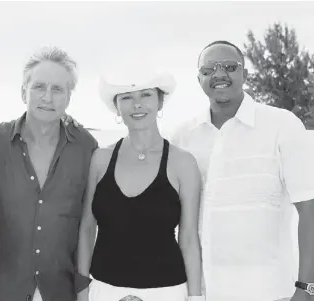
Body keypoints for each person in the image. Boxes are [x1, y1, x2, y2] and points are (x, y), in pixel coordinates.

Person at [171, 40, 314, 301]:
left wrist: (307, 287)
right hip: (202, 292)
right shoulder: (183, 137)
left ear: (245, 75)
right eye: (209, 69)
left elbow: (309, 209)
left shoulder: (282, 126)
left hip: (271, 292)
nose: (219, 74)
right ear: (199, 78)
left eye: (229, 66)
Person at [0, 46, 98, 301]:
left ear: (68, 97)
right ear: (24, 92)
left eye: (57, 90)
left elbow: (90, 224)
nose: (48, 98)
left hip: (61, 291)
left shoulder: (87, 147)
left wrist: (84, 285)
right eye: (39, 87)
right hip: (1, 290)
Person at [76, 66, 204, 301]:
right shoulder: (100, 159)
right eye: (127, 97)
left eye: (146, 95)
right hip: (103, 290)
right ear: (117, 106)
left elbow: (188, 238)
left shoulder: (183, 163)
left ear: (160, 102)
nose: (137, 104)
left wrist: (196, 298)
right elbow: (86, 228)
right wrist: (82, 289)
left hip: (167, 292)